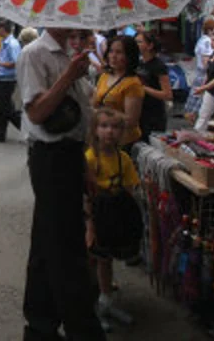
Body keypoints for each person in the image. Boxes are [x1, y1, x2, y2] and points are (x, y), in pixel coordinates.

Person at [18, 27, 107, 341]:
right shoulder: (34, 55)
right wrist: (68, 76)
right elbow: (38, 112)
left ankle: (40, 323)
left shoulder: (73, 55)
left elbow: (78, 120)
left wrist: (85, 166)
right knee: (66, 247)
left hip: (70, 155)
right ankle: (82, 327)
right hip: (50, 158)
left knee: (46, 242)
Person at [85, 108, 142, 330]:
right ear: (95, 130)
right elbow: (86, 196)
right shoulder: (90, 159)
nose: (110, 132)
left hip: (113, 217)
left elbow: (129, 188)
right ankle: (91, 302)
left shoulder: (123, 159)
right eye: (104, 126)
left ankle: (105, 299)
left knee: (106, 259)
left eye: (116, 127)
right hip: (95, 216)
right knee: (92, 259)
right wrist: (89, 226)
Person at [92, 35, 145, 149]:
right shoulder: (105, 76)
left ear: (129, 56)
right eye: (111, 51)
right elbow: (95, 102)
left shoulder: (132, 83)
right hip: (104, 139)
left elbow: (131, 120)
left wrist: (105, 115)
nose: (113, 56)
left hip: (123, 142)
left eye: (119, 52)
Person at [0, 23, 24, 143]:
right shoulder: (6, 42)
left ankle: (25, 128)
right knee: (2, 108)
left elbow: (14, 62)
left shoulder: (12, 44)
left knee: (6, 108)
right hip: (2, 78)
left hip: (8, 79)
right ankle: (0, 134)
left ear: (3, 29)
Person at [135, 31, 172, 141]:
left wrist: (143, 88)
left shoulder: (159, 66)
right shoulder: (139, 63)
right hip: (141, 112)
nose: (136, 44)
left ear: (150, 46)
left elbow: (167, 95)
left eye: (139, 42)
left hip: (154, 115)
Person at [184, 17, 214, 119]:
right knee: (200, 97)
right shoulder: (207, 42)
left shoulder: (202, 40)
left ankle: (191, 114)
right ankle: (193, 116)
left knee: (197, 95)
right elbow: (206, 61)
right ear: (210, 30)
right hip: (204, 73)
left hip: (200, 72)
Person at [192, 31, 214, 132]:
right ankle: (198, 135)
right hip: (210, 90)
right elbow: (209, 73)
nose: (212, 42)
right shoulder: (213, 54)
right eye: (211, 40)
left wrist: (204, 87)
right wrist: (204, 86)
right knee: (204, 114)